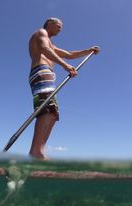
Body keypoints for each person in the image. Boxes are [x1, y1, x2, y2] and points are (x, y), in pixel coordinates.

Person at [28, 17, 100, 160]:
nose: (61, 28)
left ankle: (39, 150)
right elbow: (44, 49)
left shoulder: (52, 44)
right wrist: (65, 65)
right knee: (47, 108)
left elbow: (69, 54)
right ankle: (36, 152)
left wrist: (88, 50)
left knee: (53, 112)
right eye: (59, 25)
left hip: (47, 75)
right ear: (49, 24)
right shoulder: (41, 33)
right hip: (41, 72)